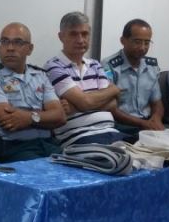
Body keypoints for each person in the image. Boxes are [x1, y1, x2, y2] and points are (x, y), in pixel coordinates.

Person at [0, 22, 65, 162]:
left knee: (80, 169)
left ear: (30, 49)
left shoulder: (40, 75)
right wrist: (46, 116)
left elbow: (60, 117)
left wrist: (28, 118)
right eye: (4, 41)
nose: (10, 48)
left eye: (18, 42)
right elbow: (10, 122)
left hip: (48, 145)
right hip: (13, 149)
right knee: (47, 173)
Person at [44, 12, 123, 147]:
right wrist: (114, 90)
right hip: (78, 137)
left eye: (85, 34)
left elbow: (113, 104)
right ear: (61, 37)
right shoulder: (53, 67)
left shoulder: (95, 64)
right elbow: (87, 102)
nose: (80, 40)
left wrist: (74, 107)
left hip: (111, 132)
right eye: (74, 34)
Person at [103, 19, 164, 140]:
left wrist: (156, 119)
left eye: (147, 43)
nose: (142, 47)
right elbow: (110, 108)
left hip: (147, 124)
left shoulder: (151, 66)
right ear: (123, 41)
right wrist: (142, 124)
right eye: (137, 42)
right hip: (121, 126)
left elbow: (157, 102)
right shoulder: (109, 66)